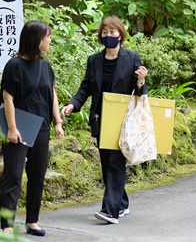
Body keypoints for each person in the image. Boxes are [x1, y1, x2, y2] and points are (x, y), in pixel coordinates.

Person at [61, 16, 148, 225]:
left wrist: (141, 81)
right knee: (106, 164)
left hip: (122, 120)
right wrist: (73, 104)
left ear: (120, 35)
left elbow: (140, 93)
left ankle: (110, 211)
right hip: (101, 120)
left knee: (116, 164)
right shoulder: (94, 60)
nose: (109, 36)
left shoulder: (131, 58)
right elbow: (86, 88)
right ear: (101, 35)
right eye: (105, 32)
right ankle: (122, 202)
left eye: (113, 32)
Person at [0, 20, 64, 235]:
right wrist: (11, 128)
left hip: (42, 126)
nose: (50, 40)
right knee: (13, 176)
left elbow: (52, 95)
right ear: (36, 40)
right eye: (47, 36)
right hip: (20, 126)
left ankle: (32, 221)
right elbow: (8, 97)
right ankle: (7, 225)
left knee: (37, 174)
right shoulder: (14, 65)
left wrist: (58, 122)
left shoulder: (46, 66)